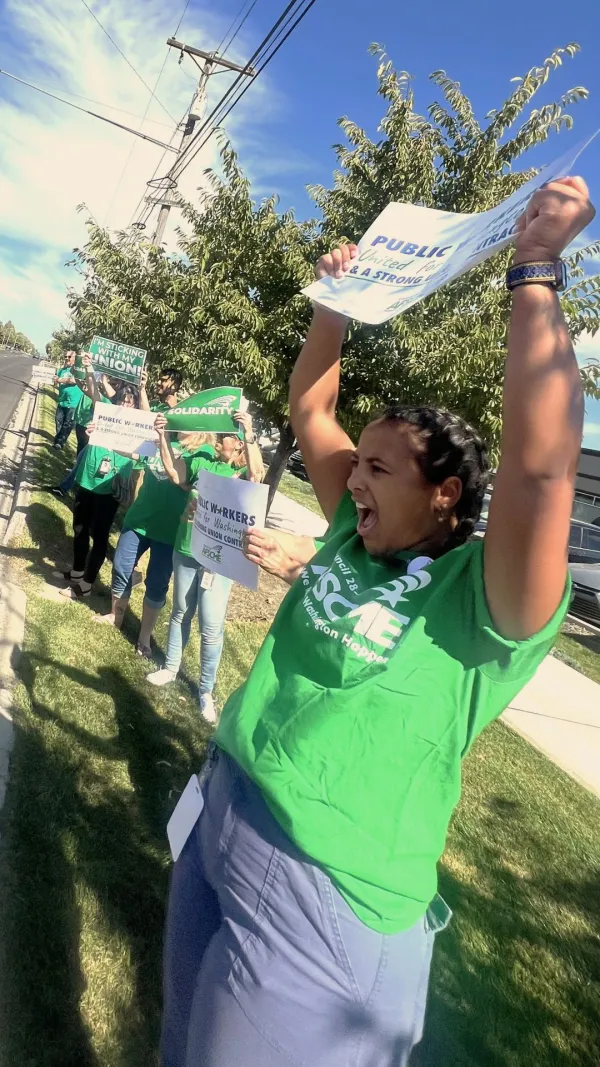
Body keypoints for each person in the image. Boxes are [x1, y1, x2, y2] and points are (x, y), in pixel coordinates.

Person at [161, 177, 594, 1067]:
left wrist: (536, 269)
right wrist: (337, 303)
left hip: (329, 894)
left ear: (443, 495)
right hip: (224, 811)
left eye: (381, 469)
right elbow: (311, 409)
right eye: (359, 462)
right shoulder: (354, 535)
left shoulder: (488, 598)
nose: (353, 478)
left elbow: (541, 475)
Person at [146, 411, 264, 722]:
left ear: (236, 445)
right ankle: (171, 668)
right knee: (180, 612)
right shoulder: (203, 462)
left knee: (210, 628)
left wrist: (249, 430)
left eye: (226, 435)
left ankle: (205, 691)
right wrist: (162, 436)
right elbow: (174, 472)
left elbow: (257, 477)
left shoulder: (241, 475)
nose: (220, 438)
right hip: (186, 549)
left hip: (220, 562)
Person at [95, 421, 218, 657]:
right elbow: (134, 452)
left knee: (156, 582)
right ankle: (115, 615)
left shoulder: (204, 454)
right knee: (121, 567)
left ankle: (144, 636)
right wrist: (102, 436)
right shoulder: (164, 443)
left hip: (169, 532)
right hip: (138, 521)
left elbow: (181, 479)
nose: (181, 424)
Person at [58, 358, 136, 600]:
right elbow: (92, 391)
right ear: (115, 400)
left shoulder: (136, 427)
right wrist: (90, 369)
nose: (126, 404)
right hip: (88, 480)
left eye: (130, 402)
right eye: (122, 399)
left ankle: (88, 583)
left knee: (99, 535)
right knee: (79, 527)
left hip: (110, 487)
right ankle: (77, 571)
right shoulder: (104, 412)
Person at [52, 351, 80, 449]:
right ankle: (58, 439)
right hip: (62, 401)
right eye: (65, 356)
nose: (67, 358)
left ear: (75, 358)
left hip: (73, 402)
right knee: (58, 420)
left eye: (69, 356)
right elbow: (55, 383)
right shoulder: (62, 370)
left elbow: (73, 381)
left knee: (68, 423)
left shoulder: (77, 370)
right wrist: (54, 379)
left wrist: (59, 379)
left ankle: (60, 442)